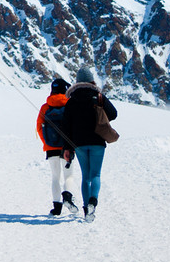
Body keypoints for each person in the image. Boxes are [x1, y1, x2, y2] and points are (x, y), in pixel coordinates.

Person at [61, 67, 118, 221]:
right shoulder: (98, 97)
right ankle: (94, 201)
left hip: (79, 143)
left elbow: (66, 126)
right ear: (91, 80)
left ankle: (87, 210)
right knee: (96, 175)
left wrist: (67, 147)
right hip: (97, 141)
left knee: (86, 176)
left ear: (77, 81)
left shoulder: (71, 101)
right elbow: (113, 114)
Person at [36, 76, 78, 216]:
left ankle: (56, 207)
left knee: (55, 177)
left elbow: (39, 127)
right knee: (69, 176)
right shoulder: (70, 105)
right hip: (68, 146)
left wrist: (47, 143)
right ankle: (68, 197)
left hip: (51, 147)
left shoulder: (46, 107)